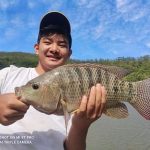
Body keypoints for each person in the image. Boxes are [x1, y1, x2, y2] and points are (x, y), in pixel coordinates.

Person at [0, 11, 106, 150]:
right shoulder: (8, 74)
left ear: (69, 53)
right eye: (48, 42)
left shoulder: (75, 91)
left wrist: (81, 126)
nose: (54, 49)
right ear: (37, 48)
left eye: (62, 44)